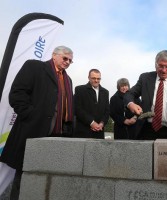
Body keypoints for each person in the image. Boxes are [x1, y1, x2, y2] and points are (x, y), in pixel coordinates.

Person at [0, 46, 74, 200]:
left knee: (48, 176)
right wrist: (30, 115)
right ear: (54, 55)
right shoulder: (35, 67)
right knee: (24, 174)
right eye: (65, 58)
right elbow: (17, 93)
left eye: (70, 60)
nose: (68, 62)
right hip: (33, 130)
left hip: (57, 135)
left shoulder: (68, 79)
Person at [74, 69, 109, 139]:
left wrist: (102, 124)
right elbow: (77, 109)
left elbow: (107, 111)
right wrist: (92, 123)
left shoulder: (105, 92)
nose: (96, 80)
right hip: (83, 132)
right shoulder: (79, 90)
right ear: (88, 78)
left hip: (99, 132)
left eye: (98, 78)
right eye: (94, 78)